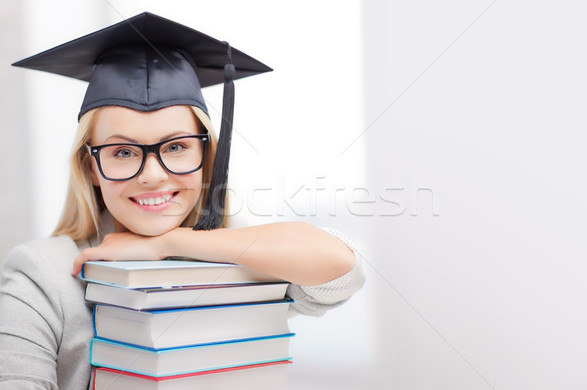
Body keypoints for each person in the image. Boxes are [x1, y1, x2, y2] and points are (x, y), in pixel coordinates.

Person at [0, 12, 365, 390]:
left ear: (206, 157)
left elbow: (340, 267)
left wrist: (167, 244)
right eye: (122, 152)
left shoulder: (241, 256)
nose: (152, 174)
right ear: (91, 166)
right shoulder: (42, 273)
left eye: (176, 147)